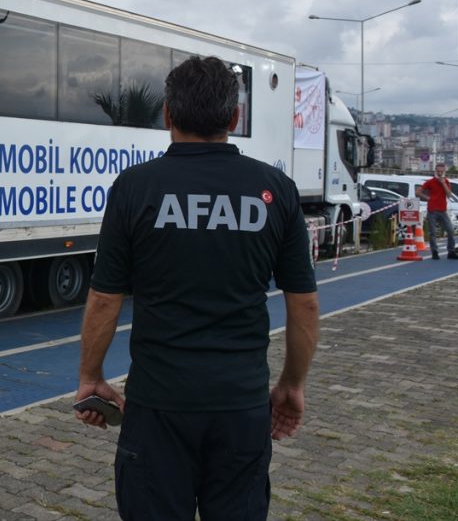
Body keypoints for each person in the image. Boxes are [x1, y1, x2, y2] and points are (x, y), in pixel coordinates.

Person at [75, 55, 320, 520]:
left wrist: (91, 377)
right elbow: (303, 304)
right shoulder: (276, 188)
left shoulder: (133, 188)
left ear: (168, 114)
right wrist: (291, 384)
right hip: (241, 405)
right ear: (234, 117)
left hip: (158, 405)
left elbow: (106, 298)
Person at [415, 163, 458, 260]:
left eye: (441, 172)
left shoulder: (446, 181)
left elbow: (448, 195)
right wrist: (427, 198)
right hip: (432, 210)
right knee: (433, 232)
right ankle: (434, 252)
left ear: (444, 172)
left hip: (443, 210)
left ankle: (451, 252)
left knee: (450, 230)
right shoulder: (430, 182)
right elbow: (418, 192)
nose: (439, 173)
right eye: (438, 171)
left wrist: (443, 183)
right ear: (435, 171)